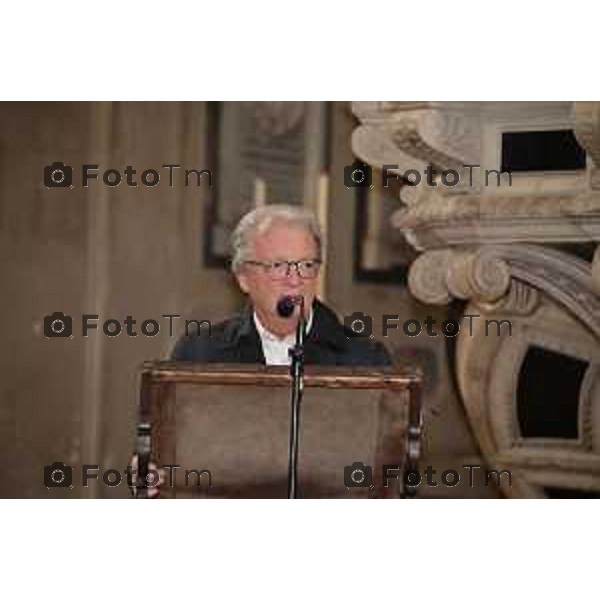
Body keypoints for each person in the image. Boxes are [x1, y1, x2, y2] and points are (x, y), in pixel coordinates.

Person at [171, 203, 392, 366]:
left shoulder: (366, 359)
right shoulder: (200, 355)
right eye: (278, 265)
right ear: (243, 278)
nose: (295, 280)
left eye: (306, 265)